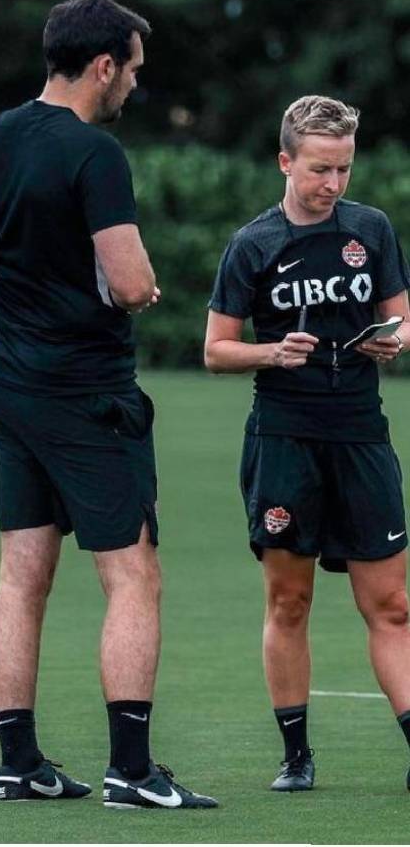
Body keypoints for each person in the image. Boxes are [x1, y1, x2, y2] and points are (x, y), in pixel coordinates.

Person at [0, 0, 215, 808]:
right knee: (132, 575)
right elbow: (132, 281)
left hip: (12, 384)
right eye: (133, 71)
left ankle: (19, 764)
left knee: (19, 579)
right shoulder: (94, 153)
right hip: (88, 394)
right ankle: (132, 773)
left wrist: (44, 287)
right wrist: (138, 293)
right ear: (103, 65)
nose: (134, 86)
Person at [205, 95, 410, 793]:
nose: (333, 184)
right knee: (289, 603)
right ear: (285, 161)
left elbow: (402, 319)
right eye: (320, 169)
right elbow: (214, 349)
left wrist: (394, 341)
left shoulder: (372, 230)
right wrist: (269, 352)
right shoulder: (252, 244)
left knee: (391, 605)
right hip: (285, 437)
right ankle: (296, 755)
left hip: (360, 433)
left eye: (344, 169)